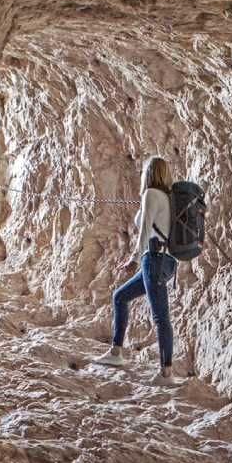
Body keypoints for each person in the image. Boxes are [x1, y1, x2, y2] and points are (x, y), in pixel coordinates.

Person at [95, 155, 177, 381]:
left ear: (148, 173)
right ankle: (115, 352)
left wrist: (133, 258)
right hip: (167, 262)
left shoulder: (151, 194)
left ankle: (166, 372)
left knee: (161, 317)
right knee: (120, 296)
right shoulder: (170, 198)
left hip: (153, 260)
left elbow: (144, 232)